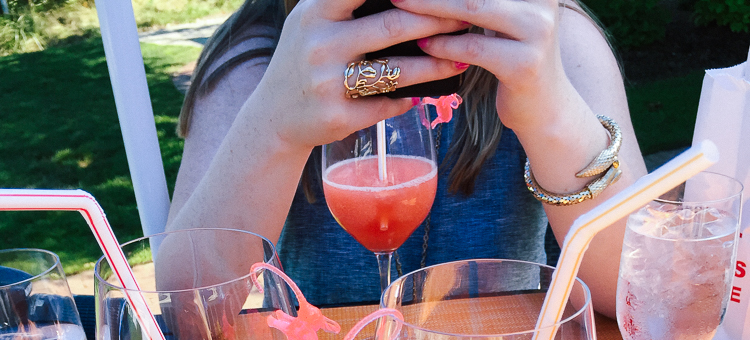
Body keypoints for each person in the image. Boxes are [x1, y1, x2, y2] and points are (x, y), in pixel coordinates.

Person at [167, 0, 646, 314]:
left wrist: (552, 111)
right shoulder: (260, 58)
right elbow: (187, 312)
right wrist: (273, 126)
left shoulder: (552, 41)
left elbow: (639, 298)